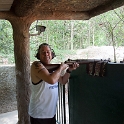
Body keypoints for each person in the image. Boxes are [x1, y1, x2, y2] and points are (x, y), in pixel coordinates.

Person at [28, 43, 79, 124]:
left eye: (48, 52)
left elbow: (63, 81)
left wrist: (69, 70)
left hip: (51, 113)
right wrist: (61, 67)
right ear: (39, 55)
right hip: (39, 114)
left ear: (52, 54)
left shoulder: (54, 69)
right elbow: (51, 80)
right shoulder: (36, 65)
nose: (46, 54)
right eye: (43, 52)